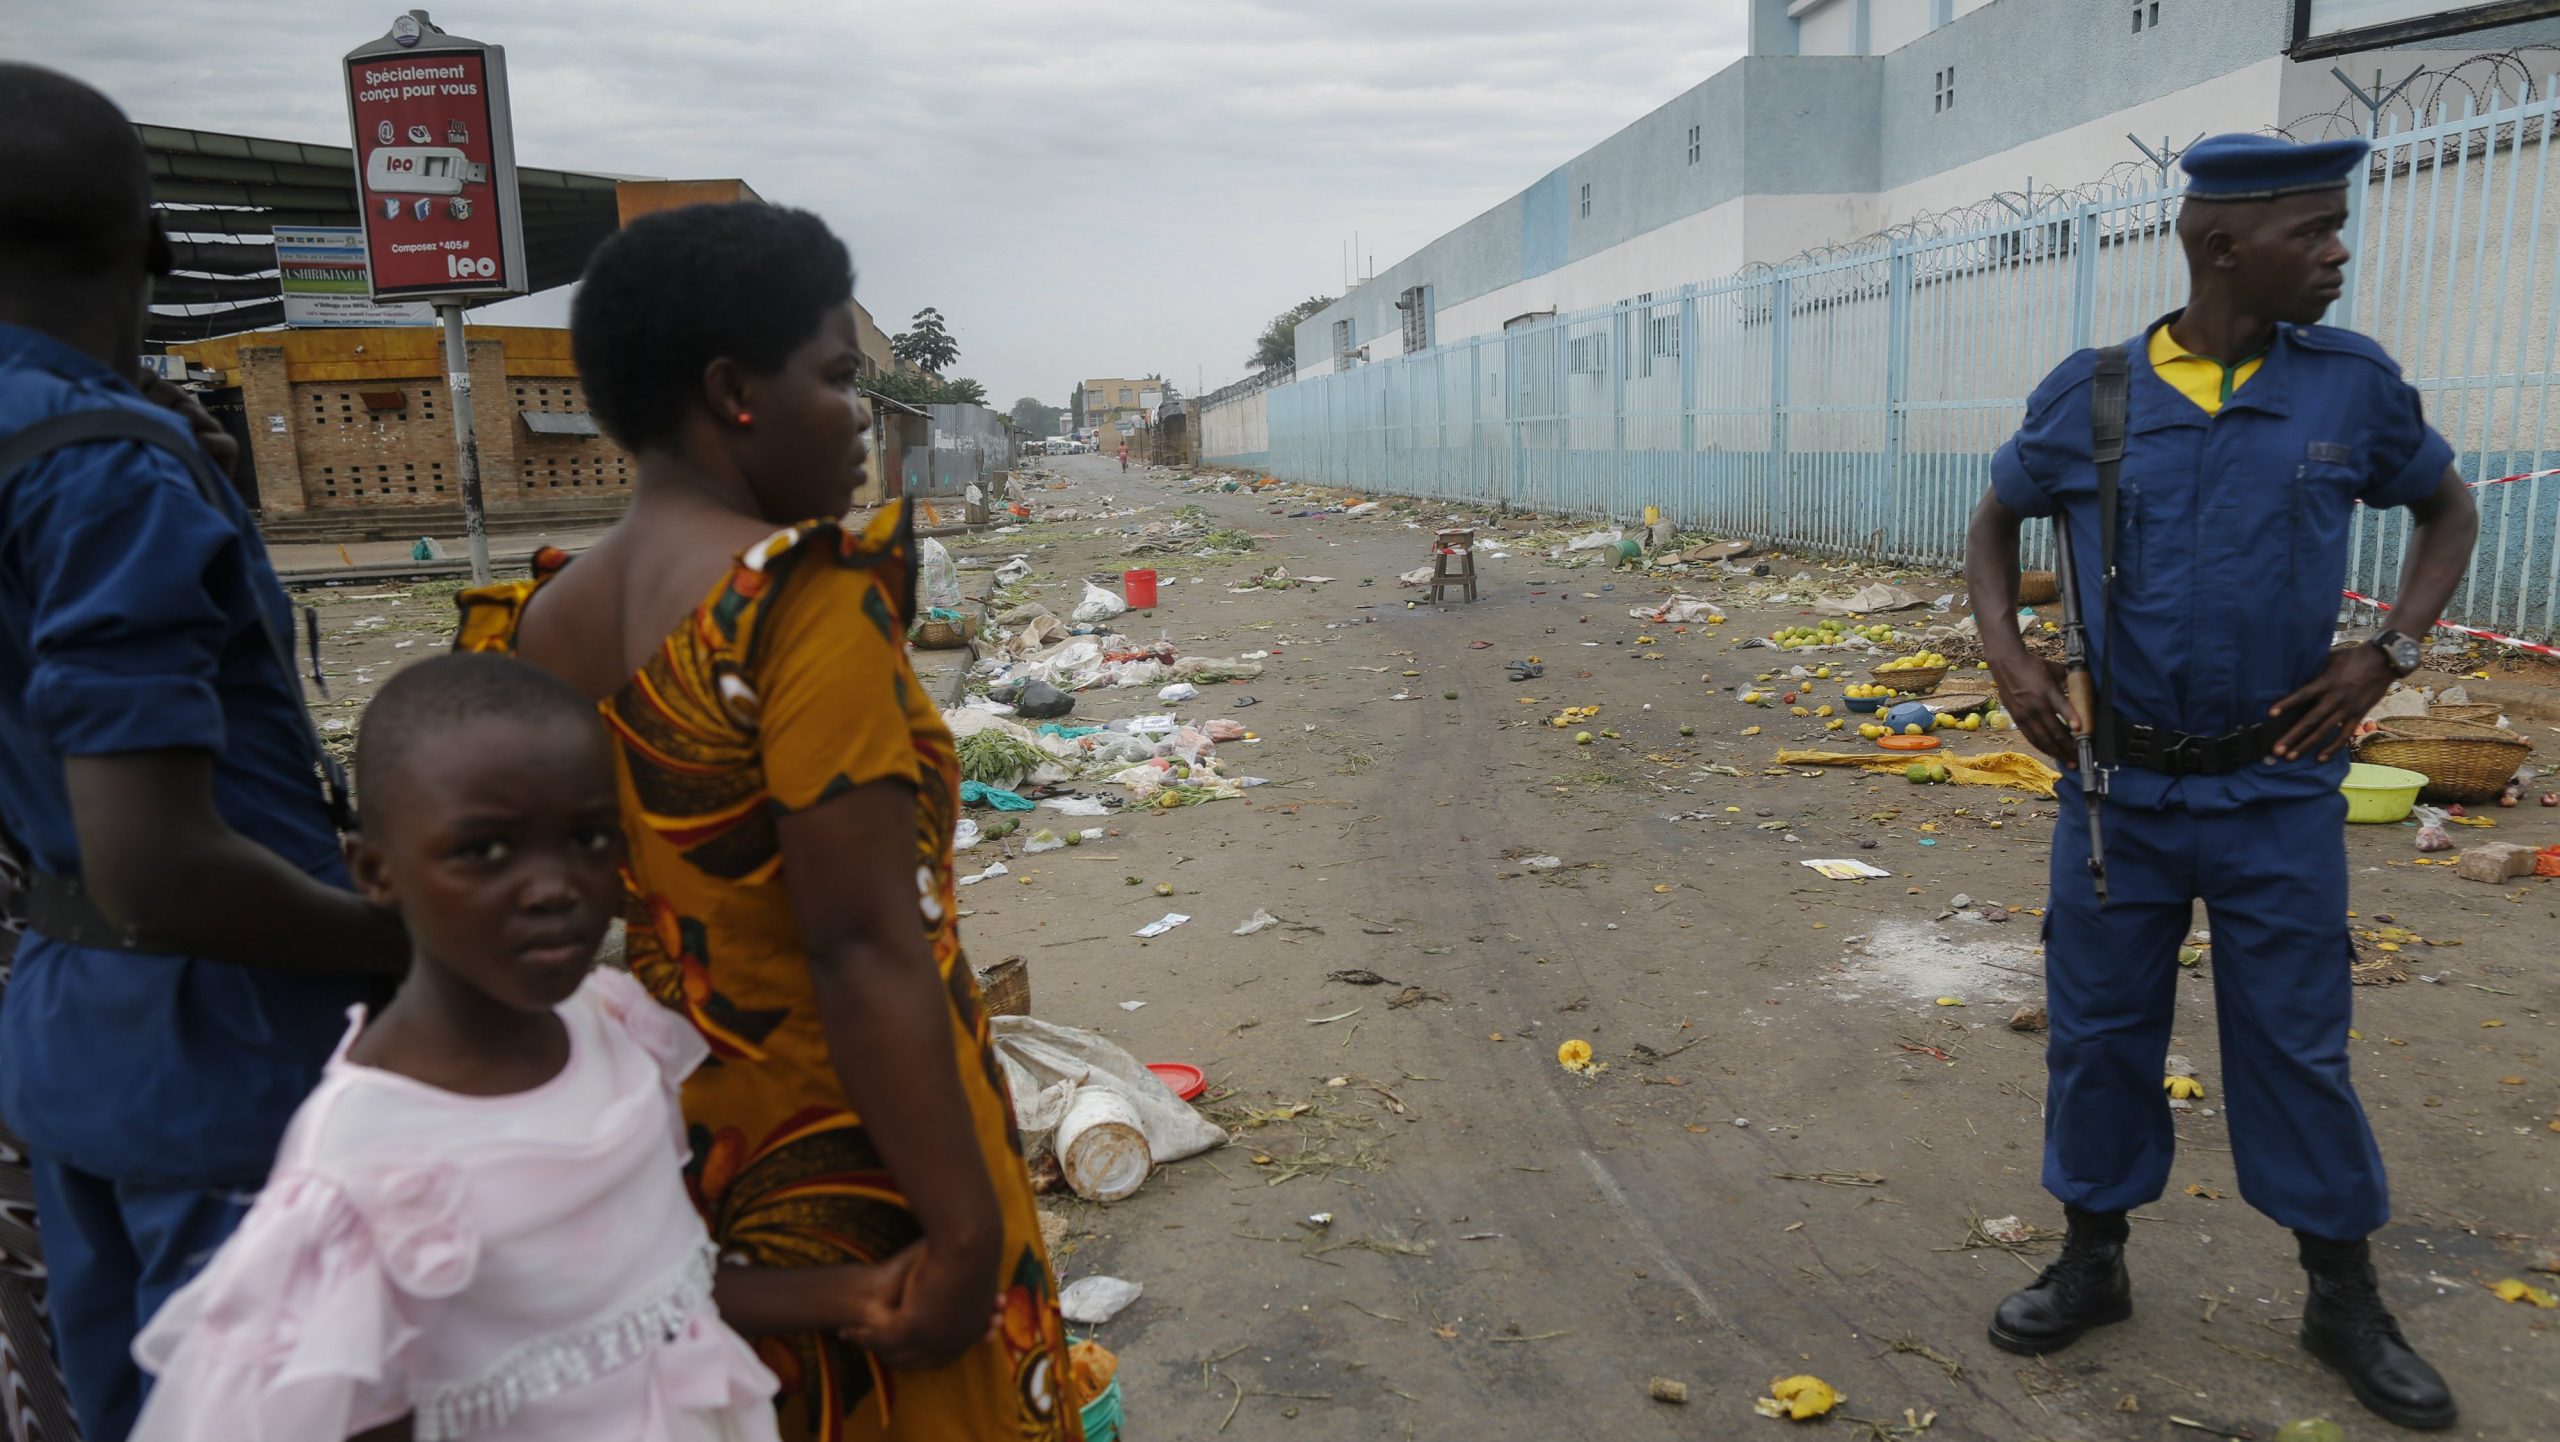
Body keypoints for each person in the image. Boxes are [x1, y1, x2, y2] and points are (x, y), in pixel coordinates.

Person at [456, 202, 1078, 1442]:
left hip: (688, 1167)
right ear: (733, 389)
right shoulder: (798, 605)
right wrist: (961, 1231)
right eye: (839, 377)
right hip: (866, 1150)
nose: (857, 416)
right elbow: (860, 944)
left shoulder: (541, 620)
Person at [1966, 133, 2479, 1432]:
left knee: (2299, 1043)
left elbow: (2447, 510)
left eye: (2335, 226)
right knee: (2096, 1035)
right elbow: (1992, 519)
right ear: (2220, 246)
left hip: (2278, 787)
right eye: (2314, 230)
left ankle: (2340, 1293)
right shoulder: (2091, 399)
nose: (2338, 250)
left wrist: (2390, 651)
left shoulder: (2348, 390)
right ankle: (2094, 1260)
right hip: (2115, 795)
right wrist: (2012, 659)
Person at [127, 652, 904, 1439]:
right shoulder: (363, 1161)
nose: (553, 886)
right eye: (485, 852)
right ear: (374, 872)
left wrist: (850, 1293)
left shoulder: (611, 1027)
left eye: (590, 839)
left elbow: (651, 1290)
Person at [0, 65, 407, 1440]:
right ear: (156, 248)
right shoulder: (105, 465)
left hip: (69, 1040)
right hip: (219, 1049)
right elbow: (160, 864)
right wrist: (399, 944)